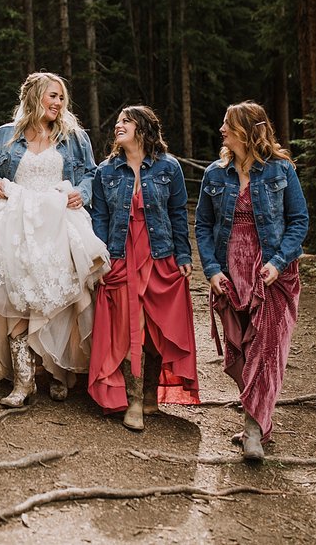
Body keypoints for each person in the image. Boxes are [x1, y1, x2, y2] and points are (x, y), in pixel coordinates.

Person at [0, 71, 109, 408]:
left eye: (61, 97)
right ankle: (23, 381)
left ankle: (58, 373)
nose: (58, 103)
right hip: (15, 224)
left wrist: (81, 193)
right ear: (35, 96)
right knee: (18, 297)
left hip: (59, 221)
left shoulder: (75, 138)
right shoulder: (2, 137)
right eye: (52, 95)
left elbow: (90, 174)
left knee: (60, 297)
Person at [195, 100, 308, 461]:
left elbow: (299, 221)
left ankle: (254, 432)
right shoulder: (215, 174)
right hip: (232, 277)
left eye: (228, 124)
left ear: (247, 130)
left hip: (272, 277)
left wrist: (277, 262)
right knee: (239, 353)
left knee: (266, 351)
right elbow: (203, 225)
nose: (222, 130)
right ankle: (258, 416)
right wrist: (212, 270)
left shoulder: (281, 170)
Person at [88, 106, 200, 431]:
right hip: (121, 256)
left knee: (156, 329)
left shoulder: (169, 167)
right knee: (128, 327)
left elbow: (179, 213)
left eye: (125, 121)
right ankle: (133, 401)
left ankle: (151, 394)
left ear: (143, 128)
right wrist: (101, 258)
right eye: (118, 121)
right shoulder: (105, 171)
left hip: (160, 254)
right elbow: (100, 219)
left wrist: (184, 256)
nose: (118, 126)